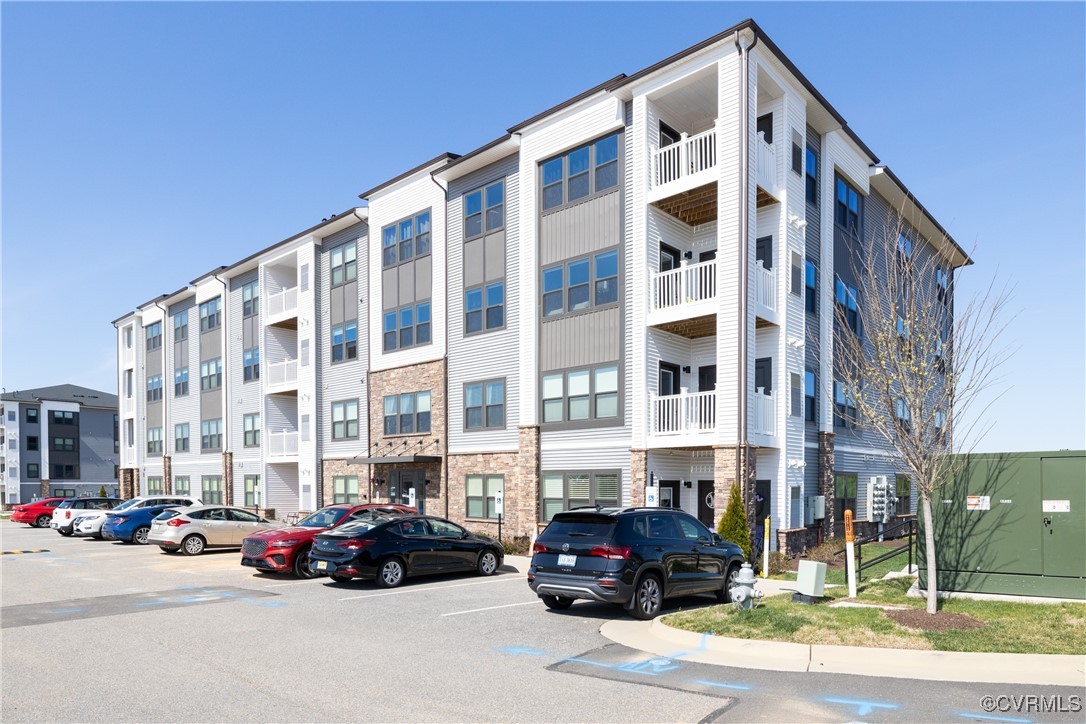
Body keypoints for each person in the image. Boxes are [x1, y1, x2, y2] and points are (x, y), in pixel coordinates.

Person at [753, 493, 767, 562]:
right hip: (756, 526)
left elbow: (759, 510)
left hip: (759, 526)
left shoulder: (759, 507)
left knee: (758, 541)